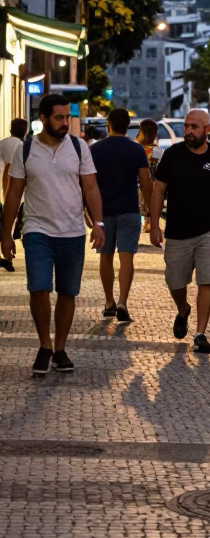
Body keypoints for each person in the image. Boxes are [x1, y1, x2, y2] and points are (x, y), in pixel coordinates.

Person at [1, 93, 105, 376]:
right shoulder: (25, 149)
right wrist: (6, 233)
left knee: (68, 293)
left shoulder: (79, 147)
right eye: (59, 118)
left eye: (67, 117)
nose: (64, 123)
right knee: (39, 289)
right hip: (37, 231)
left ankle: (59, 349)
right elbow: (14, 194)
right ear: (43, 119)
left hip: (72, 232)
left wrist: (99, 223)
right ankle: (44, 345)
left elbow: (91, 187)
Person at [150, 108, 210, 354]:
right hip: (177, 231)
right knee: (175, 281)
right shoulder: (172, 155)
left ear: (206, 130)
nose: (188, 131)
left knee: (207, 280)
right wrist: (155, 225)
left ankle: (200, 333)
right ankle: (183, 310)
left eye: (193, 127)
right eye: (186, 126)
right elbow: (158, 191)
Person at [90, 106, 152, 324]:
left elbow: (87, 183)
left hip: (103, 212)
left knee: (105, 257)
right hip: (129, 210)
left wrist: (88, 213)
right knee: (127, 258)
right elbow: (146, 184)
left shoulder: (95, 150)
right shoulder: (136, 150)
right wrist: (151, 213)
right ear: (128, 127)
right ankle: (123, 301)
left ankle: (109, 302)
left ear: (108, 124)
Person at [0, 117, 27, 270]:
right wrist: (6, 192)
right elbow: (8, 172)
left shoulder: (2, 143)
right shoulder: (22, 146)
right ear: (24, 130)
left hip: (5, 192)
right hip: (13, 193)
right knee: (13, 225)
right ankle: (8, 257)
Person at [136, 118, 162, 232]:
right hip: (154, 187)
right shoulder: (159, 151)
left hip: (138, 187)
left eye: (139, 132)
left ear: (144, 134)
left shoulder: (136, 150)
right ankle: (150, 222)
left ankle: (144, 223)